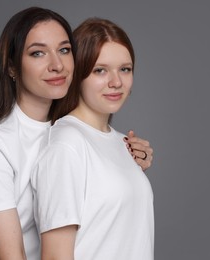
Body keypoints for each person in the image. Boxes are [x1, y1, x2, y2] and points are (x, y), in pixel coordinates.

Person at [0, 7, 153, 260]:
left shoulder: (69, 130)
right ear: (11, 66)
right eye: (38, 53)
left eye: (64, 50)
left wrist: (123, 161)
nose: (57, 65)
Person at [31, 18, 154, 259]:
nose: (116, 82)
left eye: (125, 69)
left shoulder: (123, 144)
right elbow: (56, 256)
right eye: (100, 70)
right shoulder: (66, 144)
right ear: (77, 74)